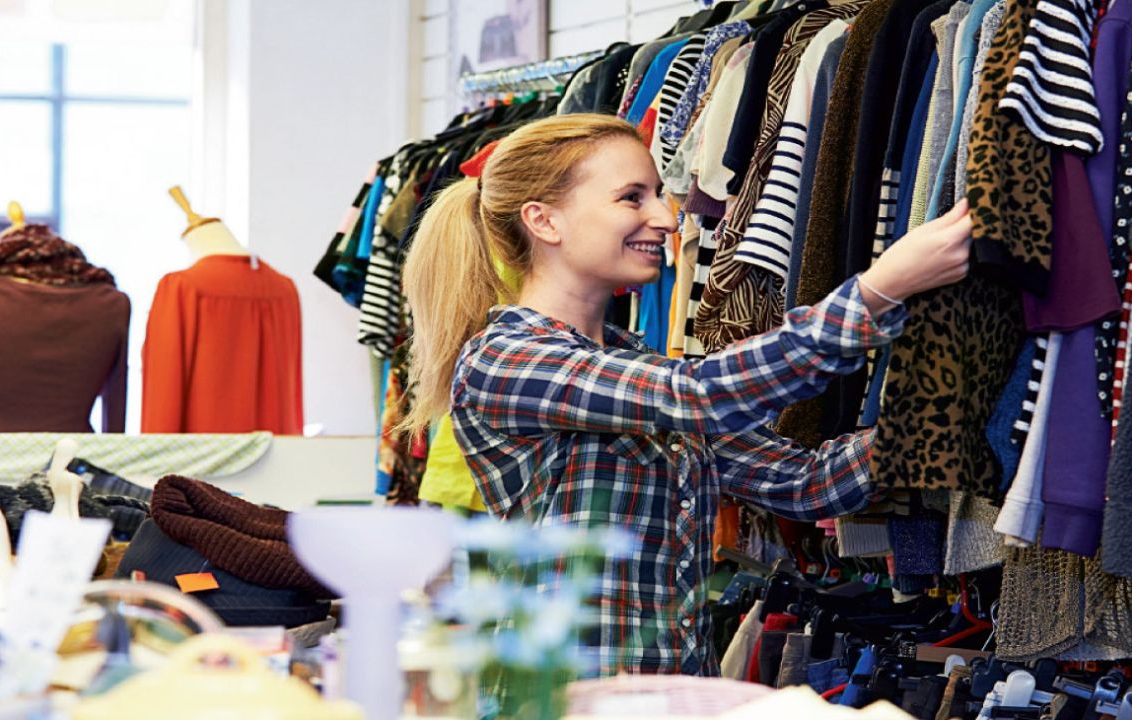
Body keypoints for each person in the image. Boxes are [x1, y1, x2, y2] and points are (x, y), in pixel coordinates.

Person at [400, 114, 972, 676]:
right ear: (544, 220)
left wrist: (961, 409)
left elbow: (807, 484)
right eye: (632, 197)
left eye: (657, 194)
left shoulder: (635, 368)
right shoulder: (506, 360)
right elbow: (700, 395)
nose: (667, 218)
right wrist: (877, 290)